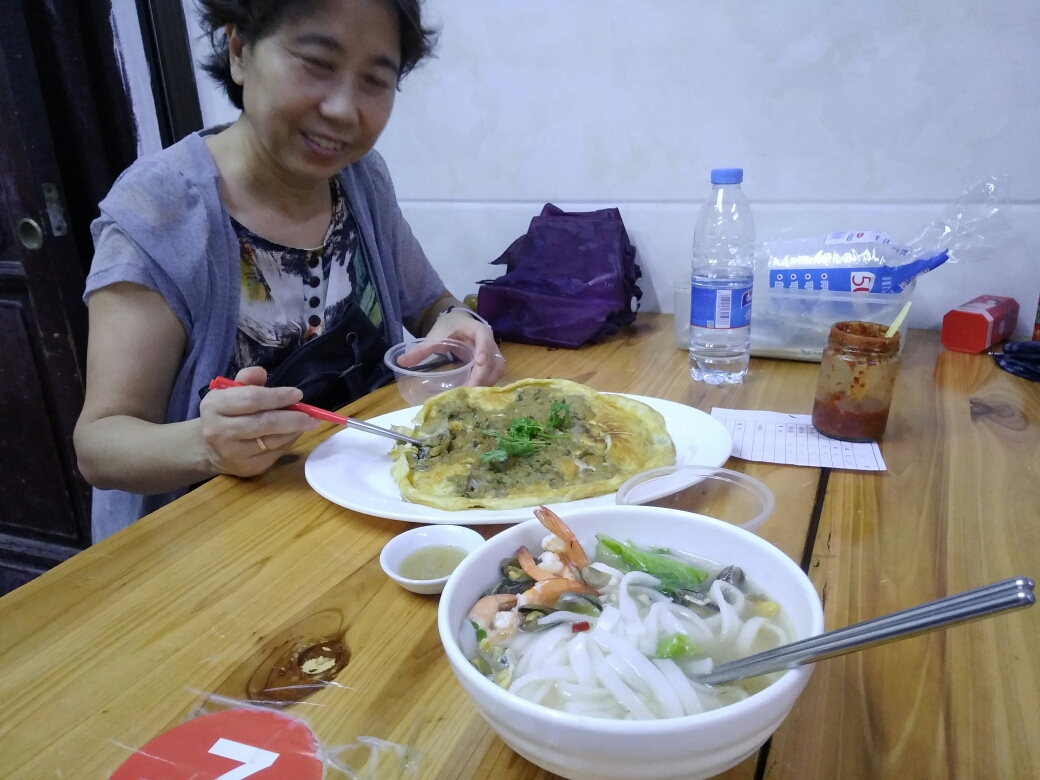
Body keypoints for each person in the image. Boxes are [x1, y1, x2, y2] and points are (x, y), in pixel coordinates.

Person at [74, 0, 505, 543]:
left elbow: (431, 306)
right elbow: (99, 445)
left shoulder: (360, 179)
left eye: (375, 81)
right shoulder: (159, 213)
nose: (344, 110)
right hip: (211, 551)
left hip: (363, 518)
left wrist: (459, 324)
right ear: (239, 50)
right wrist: (206, 444)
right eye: (317, 64)